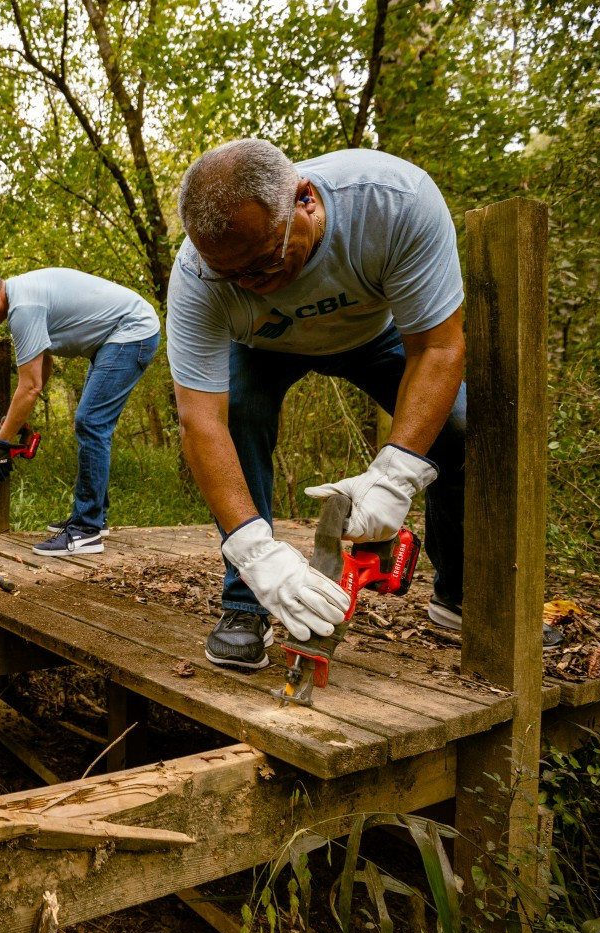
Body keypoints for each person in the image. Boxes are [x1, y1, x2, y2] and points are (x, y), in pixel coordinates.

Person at [168, 138, 561, 671]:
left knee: (463, 429)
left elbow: (439, 347)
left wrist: (397, 473)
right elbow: (200, 421)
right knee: (238, 418)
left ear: (304, 199)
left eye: (263, 265)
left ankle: (459, 595)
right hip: (261, 348)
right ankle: (246, 601)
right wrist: (253, 549)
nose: (250, 286)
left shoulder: (394, 200)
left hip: (373, 337)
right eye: (229, 275)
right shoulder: (196, 275)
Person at [0, 267, 160, 557]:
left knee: (91, 422)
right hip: (118, 337)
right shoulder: (23, 300)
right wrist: (12, 425)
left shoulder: (24, 307)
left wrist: (1, 443)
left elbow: (30, 386)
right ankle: (93, 518)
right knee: (91, 422)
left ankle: (87, 530)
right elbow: (41, 367)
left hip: (132, 331)